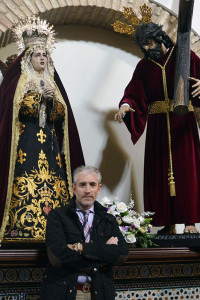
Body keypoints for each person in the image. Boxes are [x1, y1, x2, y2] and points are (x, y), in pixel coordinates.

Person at [0, 16, 84, 243]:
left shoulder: (52, 82)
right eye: (37, 54)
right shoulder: (20, 80)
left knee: (54, 183)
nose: (43, 58)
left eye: (45, 54)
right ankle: (21, 228)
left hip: (49, 145)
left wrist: (53, 103)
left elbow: (61, 117)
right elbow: (17, 111)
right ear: (28, 57)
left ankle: (56, 229)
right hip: (26, 143)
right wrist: (38, 98)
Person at [115, 22, 200, 234]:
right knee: (160, 173)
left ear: (160, 37)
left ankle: (190, 222)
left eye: (148, 43)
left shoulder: (184, 56)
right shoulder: (143, 67)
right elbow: (133, 93)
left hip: (183, 124)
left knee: (186, 171)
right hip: (158, 128)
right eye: (142, 45)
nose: (145, 49)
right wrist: (126, 106)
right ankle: (169, 223)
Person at [40, 165, 128, 300]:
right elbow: (57, 258)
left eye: (92, 185)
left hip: (100, 293)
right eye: (82, 185)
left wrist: (80, 248)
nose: (87, 190)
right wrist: (103, 255)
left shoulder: (108, 219)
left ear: (99, 189)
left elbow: (121, 254)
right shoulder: (57, 216)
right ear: (74, 188)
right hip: (66, 293)